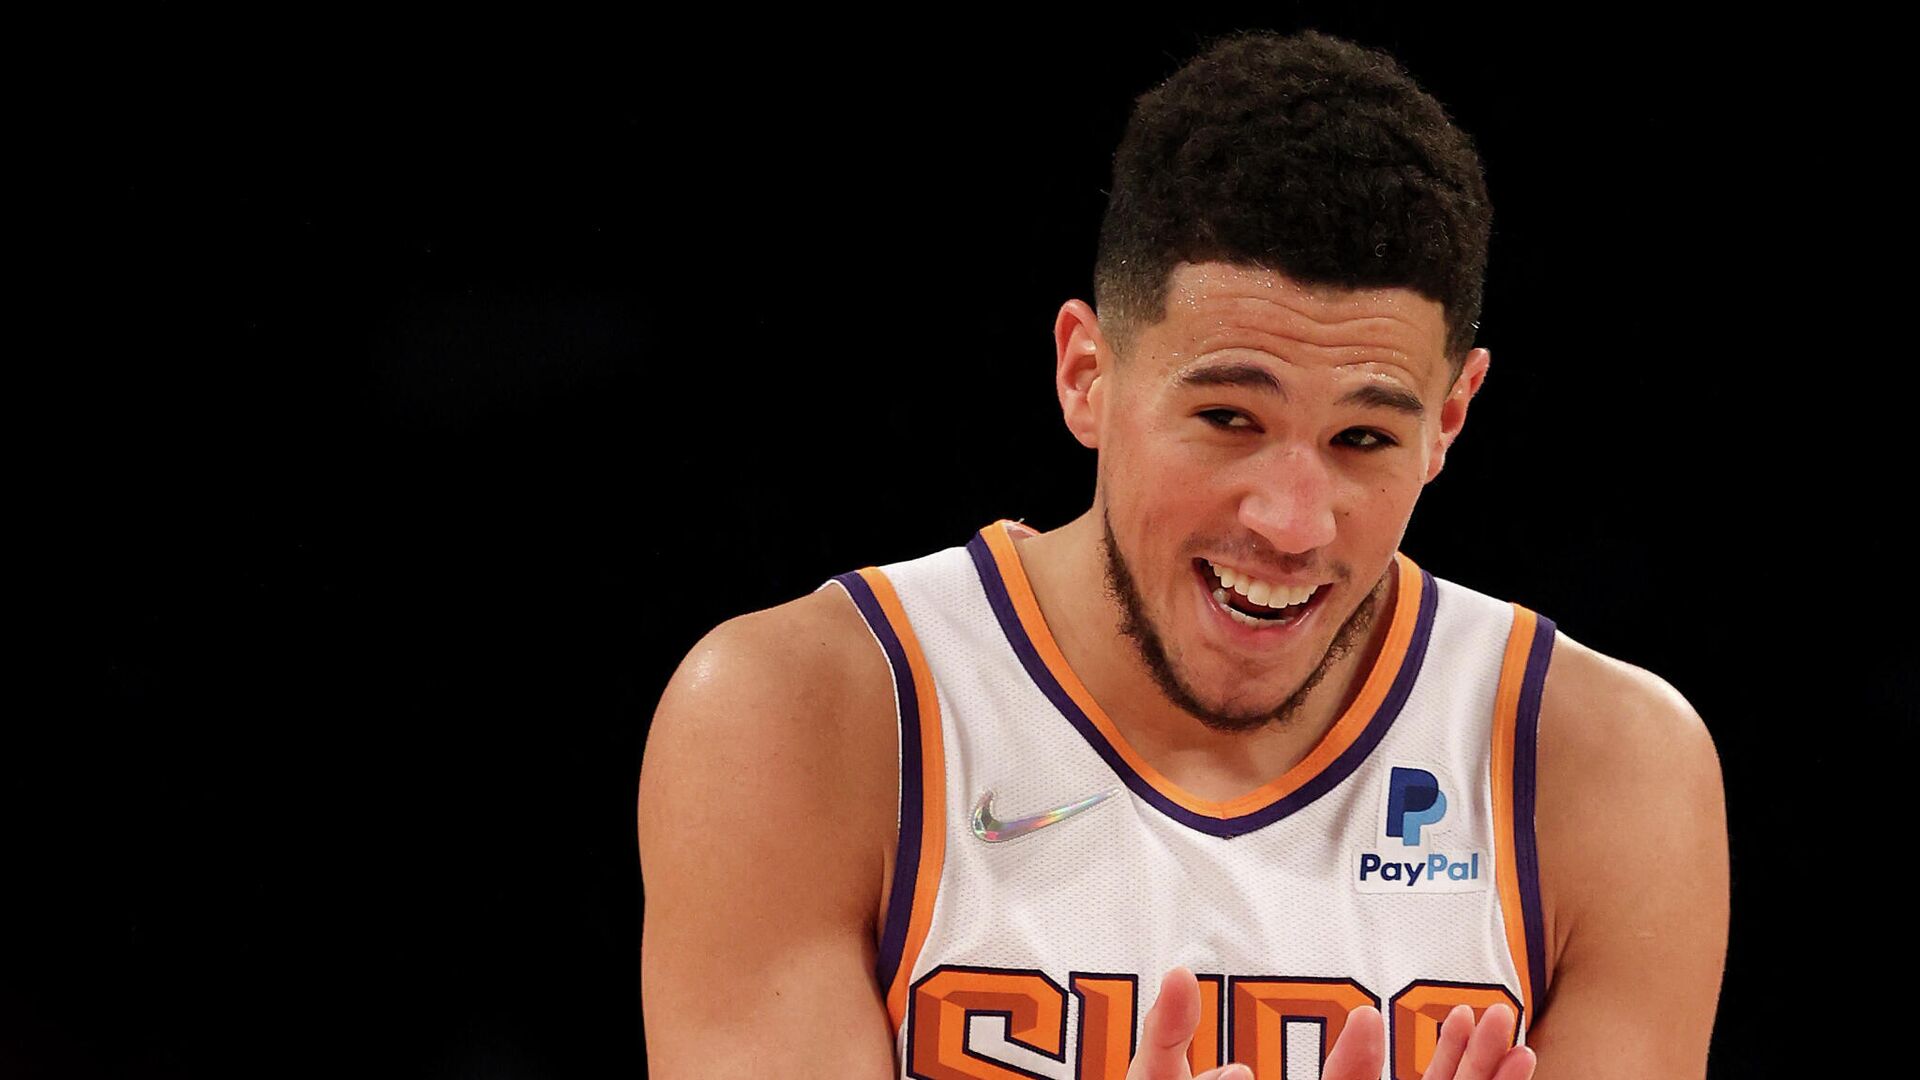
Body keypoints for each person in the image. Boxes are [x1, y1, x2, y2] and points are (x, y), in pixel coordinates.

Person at [637, 28, 1728, 1080]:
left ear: (1449, 421)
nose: (1293, 522)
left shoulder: (1603, 772)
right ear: (1086, 374)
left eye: (1363, 439)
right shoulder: (806, 717)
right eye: (1228, 419)